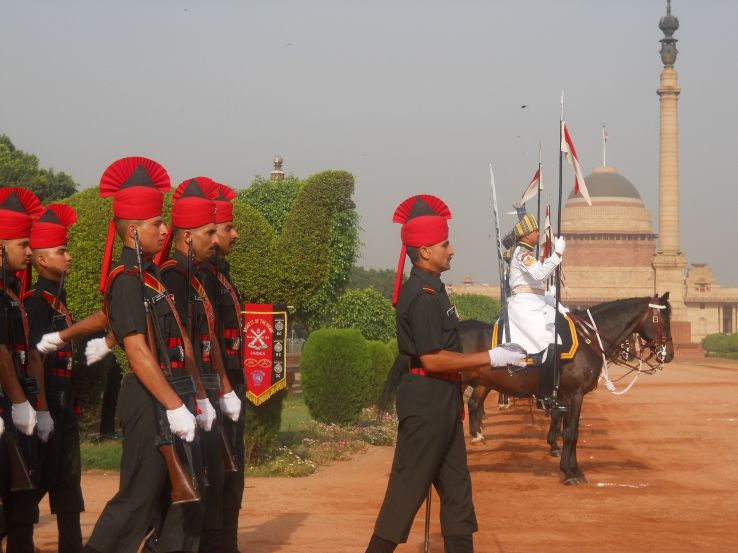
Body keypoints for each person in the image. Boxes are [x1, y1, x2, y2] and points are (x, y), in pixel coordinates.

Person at [366, 195, 526, 553]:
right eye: (445, 244)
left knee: (457, 496)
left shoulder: (435, 290)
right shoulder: (421, 296)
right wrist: (490, 357)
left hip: (444, 404)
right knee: (405, 496)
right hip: (425, 405)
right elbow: (433, 359)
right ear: (424, 251)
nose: (452, 250)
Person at [81, 157, 206, 553]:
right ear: (133, 230)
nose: (165, 230)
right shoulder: (127, 281)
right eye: (157, 224)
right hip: (149, 400)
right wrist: (174, 406)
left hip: (168, 396)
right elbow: (137, 351)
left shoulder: (150, 278)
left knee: (179, 504)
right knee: (135, 503)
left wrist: (192, 398)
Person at [157, 177, 241, 553]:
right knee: (182, 493)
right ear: (189, 236)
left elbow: (209, 337)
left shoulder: (201, 277)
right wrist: (205, 394)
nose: (225, 236)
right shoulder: (174, 277)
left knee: (213, 485)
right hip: (185, 395)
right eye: (214, 230)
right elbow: (183, 343)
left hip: (205, 390)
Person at [24, 204, 84, 553]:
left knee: (68, 492)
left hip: (65, 410)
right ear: (42, 260)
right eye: (62, 251)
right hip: (48, 412)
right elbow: (35, 361)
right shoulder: (35, 303)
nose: (69, 256)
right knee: (37, 487)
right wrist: (43, 411)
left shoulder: (58, 301)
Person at [200, 182, 246, 553]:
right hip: (217, 386)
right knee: (217, 478)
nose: (235, 234)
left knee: (232, 477)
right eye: (229, 227)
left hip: (232, 382)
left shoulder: (221, 274)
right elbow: (208, 337)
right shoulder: (200, 278)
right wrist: (225, 387)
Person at [0, 187, 44, 553]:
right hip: (6, 409)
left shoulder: (11, 292)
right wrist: (15, 400)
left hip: (15, 410)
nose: (30, 252)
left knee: (22, 509)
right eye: (22, 244)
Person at [505, 213, 566, 357]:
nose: (539, 234)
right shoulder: (523, 254)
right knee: (550, 340)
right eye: (536, 231)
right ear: (526, 236)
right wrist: (557, 254)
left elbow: (536, 286)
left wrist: (553, 301)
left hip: (535, 302)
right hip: (526, 306)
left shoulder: (528, 254)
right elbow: (540, 274)